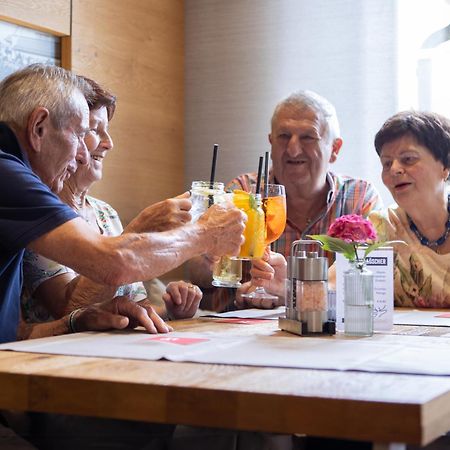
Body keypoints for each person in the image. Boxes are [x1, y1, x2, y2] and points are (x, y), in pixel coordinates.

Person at [0, 63, 245, 344]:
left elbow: (14, 332)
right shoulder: (7, 174)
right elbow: (114, 262)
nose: (83, 153)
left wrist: (78, 321)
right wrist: (206, 234)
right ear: (38, 127)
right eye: (81, 134)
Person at [21, 76, 202, 325]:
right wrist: (140, 230)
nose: (109, 143)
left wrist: (172, 311)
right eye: (94, 130)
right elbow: (69, 310)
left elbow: (135, 309)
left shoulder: (105, 213)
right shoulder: (38, 212)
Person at [189, 90, 383, 311]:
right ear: (271, 142)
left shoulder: (359, 198)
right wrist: (216, 263)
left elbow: (368, 276)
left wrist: (290, 291)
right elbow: (196, 266)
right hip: (246, 332)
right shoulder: (243, 193)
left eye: (308, 137)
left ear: (335, 149)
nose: (293, 148)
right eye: (283, 136)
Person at [369, 111, 450, 307]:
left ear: (445, 166)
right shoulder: (382, 226)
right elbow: (336, 284)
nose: (394, 169)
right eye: (386, 163)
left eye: (408, 159)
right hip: (403, 337)